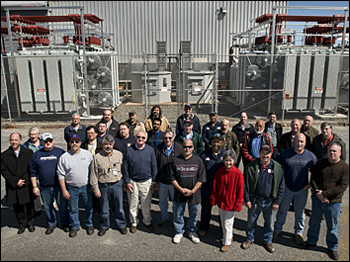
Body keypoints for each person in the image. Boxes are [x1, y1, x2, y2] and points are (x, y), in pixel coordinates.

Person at [303, 142, 349, 261]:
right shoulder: (321, 163)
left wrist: (324, 194)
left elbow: (342, 186)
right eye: (330, 151)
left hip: (333, 202)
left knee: (332, 226)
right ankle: (311, 241)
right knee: (314, 221)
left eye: (334, 151)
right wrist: (318, 192)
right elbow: (313, 178)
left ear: (340, 153)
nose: (332, 153)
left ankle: (332, 247)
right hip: (318, 199)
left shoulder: (344, 167)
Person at [272, 133, 318, 245]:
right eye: (297, 141)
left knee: (300, 212)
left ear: (305, 143)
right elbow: (277, 168)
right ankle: (277, 230)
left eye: (302, 142)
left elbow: (316, 172)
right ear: (294, 141)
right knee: (282, 210)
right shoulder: (285, 154)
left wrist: (310, 184)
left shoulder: (310, 156)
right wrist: (282, 183)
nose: (299, 144)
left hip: (302, 190)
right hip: (287, 189)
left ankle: (298, 232)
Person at [242, 144, 285, 253]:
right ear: (259, 153)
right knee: (251, 222)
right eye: (263, 153)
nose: (265, 155)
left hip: (270, 201)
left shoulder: (277, 168)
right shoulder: (251, 167)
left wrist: (277, 202)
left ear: (271, 154)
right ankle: (249, 239)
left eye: (268, 153)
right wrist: (246, 199)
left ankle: (267, 241)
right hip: (254, 200)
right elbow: (244, 184)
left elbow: (281, 186)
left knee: (269, 224)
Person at [29, 133, 70, 234]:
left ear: (53, 141)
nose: (48, 143)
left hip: (59, 185)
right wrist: (34, 186)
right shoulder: (37, 155)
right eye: (45, 141)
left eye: (50, 140)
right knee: (47, 206)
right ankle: (51, 223)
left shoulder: (60, 152)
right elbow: (32, 171)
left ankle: (65, 223)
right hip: (44, 186)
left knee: (62, 205)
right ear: (41, 142)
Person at [169, 139, 207, 244]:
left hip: (194, 193)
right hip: (179, 192)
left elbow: (201, 178)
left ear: (193, 148)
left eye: (190, 147)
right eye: (185, 146)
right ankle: (179, 232)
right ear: (182, 147)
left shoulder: (198, 160)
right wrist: (181, 189)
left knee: (193, 214)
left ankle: (192, 231)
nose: (187, 149)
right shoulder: (175, 160)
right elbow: (172, 178)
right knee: (178, 213)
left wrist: (192, 191)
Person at [57, 134, 94, 238]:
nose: (74, 144)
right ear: (69, 143)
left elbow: (93, 171)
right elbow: (60, 174)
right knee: (73, 208)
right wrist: (64, 190)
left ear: (80, 143)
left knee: (88, 206)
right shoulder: (64, 157)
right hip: (71, 187)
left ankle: (89, 224)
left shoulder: (87, 154)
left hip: (86, 186)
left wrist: (93, 185)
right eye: (72, 142)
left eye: (76, 142)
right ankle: (75, 225)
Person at [90, 134, 127, 236]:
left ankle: (121, 224)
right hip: (104, 186)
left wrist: (125, 184)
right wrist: (95, 189)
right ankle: (104, 225)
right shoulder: (97, 157)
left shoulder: (119, 155)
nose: (108, 146)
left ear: (113, 145)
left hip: (117, 184)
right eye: (106, 144)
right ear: (102, 144)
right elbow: (93, 174)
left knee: (119, 207)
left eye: (110, 144)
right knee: (104, 208)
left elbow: (124, 170)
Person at [210, 150, 244, 252]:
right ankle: (229, 236)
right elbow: (214, 186)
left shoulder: (238, 173)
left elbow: (240, 190)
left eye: (230, 161)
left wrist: (238, 203)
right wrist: (213, 197)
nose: (228, 163)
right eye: (226, 160)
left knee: (227, 223)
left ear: (234, 161)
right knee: (223, 220)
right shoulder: (220, 171)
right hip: (221, 202)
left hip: (231, 202)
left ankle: (227, 242)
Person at [123, 130, 157, 233]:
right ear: (135, 137)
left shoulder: (150, 150)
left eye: (143, 137)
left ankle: (147, 221)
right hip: (133, 182)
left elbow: (154, 166)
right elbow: (125, 167)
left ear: (146, 139)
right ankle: (134, 222)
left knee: (146, 204)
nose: (140, 139)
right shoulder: (129, 150)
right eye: (138, 137)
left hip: (146, 181)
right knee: (133, 204)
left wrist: (154, 181)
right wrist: (127, 181)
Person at [1, 132, 35, 234]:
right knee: (17, 206)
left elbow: (31, 168)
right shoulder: (4, 155)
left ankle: (31, 223)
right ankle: (22, 224)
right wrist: (15, 181)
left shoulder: (28, 153)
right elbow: (3, 171)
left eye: (16, 140)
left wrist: (23, 180)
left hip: (26, 183)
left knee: (30, 205)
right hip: (13, 185)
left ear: (20, 141)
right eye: (12, 140)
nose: (14, 142)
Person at [198, 135, 226, 237]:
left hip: (221, 187)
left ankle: (224, 230)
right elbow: (200, 171)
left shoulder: (226, 154)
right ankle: (203, 227)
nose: (216, 144)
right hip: (208, 186)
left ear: (222, 143)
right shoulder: (204, 154)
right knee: (206, 208)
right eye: (214, 141)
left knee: (223, 210)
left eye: (218, 142)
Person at [155, 129, 182, 227]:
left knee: (176, 203)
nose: (168, 140)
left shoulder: (179, 148)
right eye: (165, 138)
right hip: (162, 181)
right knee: (162, 202)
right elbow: (155, 166)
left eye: (170, 138)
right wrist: (156, 181)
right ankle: (164, 217)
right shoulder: (158, 149)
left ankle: (176, 219)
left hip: (175, 182)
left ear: (173, 138)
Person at [22, 127, 44, 216]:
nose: (33, 136)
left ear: (38, 135)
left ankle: (50, 205)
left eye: (35, 134)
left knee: (47, 189)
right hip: (33, 171)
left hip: (43, 170)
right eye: (31, 134)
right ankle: (38, 208)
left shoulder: (44, 143)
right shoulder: (25, 146)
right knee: (35, 189)